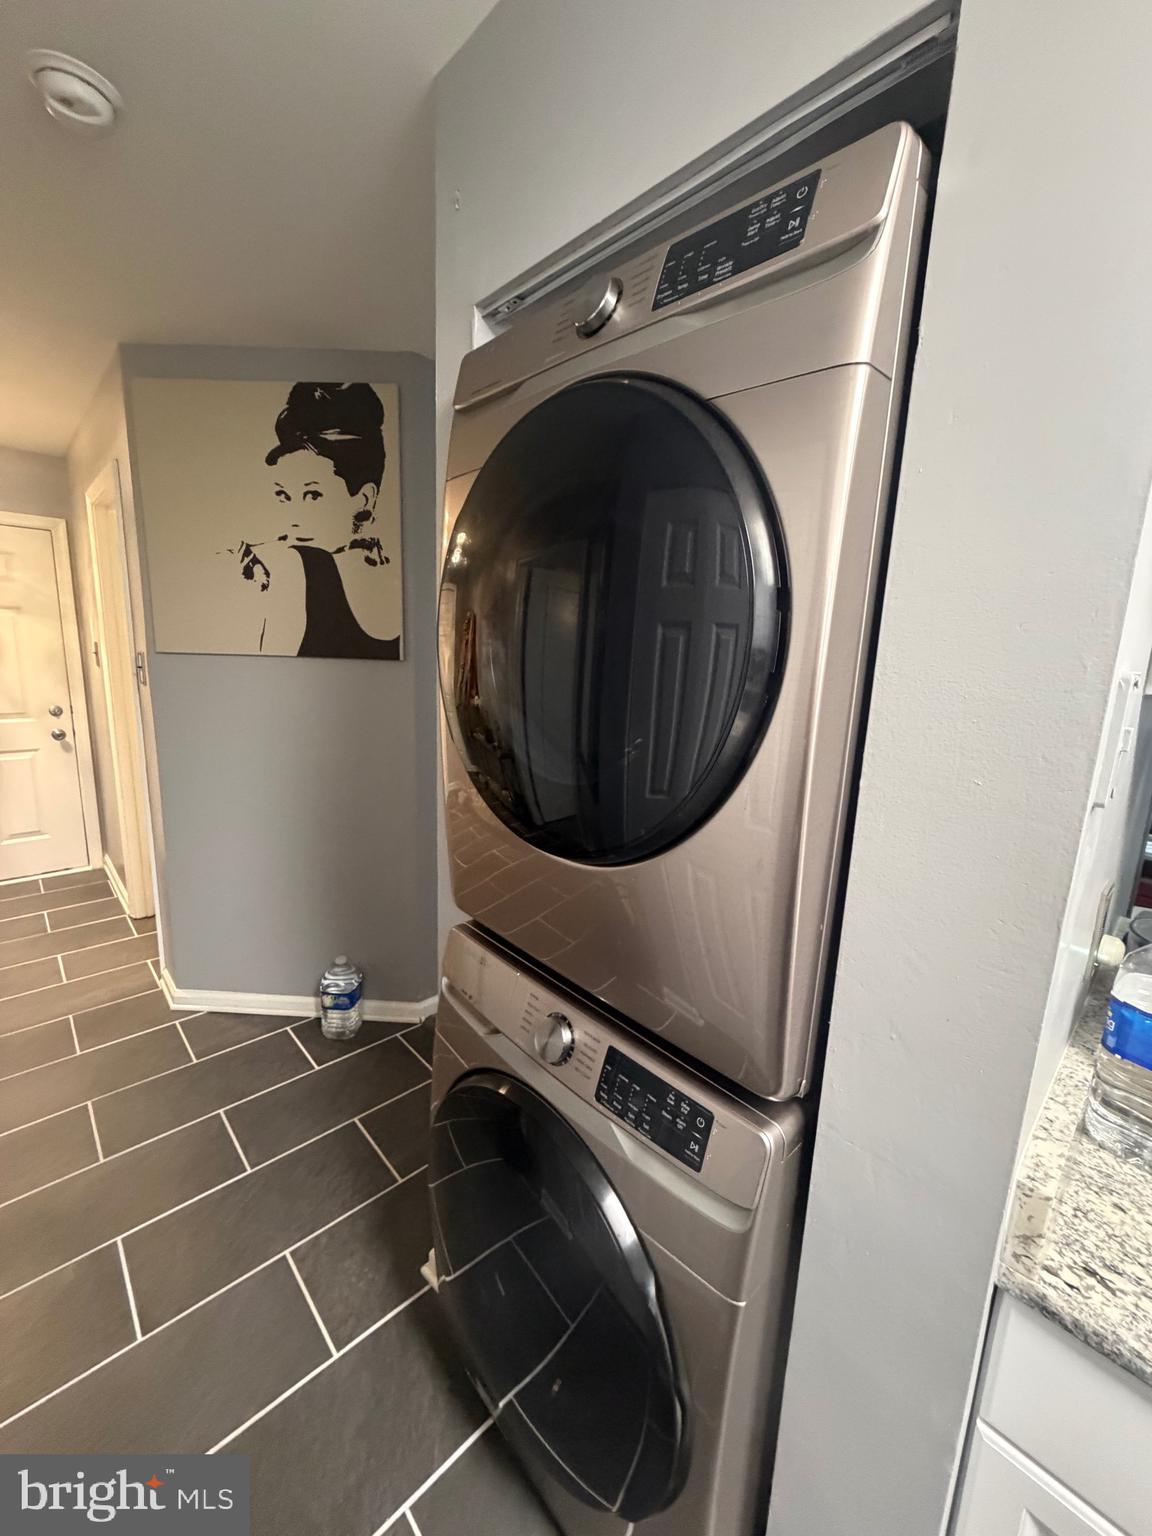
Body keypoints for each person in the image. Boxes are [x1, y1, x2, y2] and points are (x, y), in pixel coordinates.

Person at [225, 382, 400, 658]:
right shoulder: (287, 569)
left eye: (313, 495)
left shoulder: (301, 567)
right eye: (283, 496)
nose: (293, 519)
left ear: (364, 499)